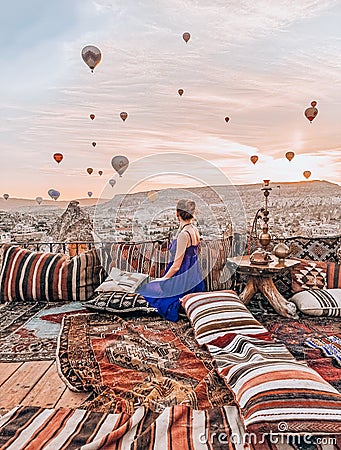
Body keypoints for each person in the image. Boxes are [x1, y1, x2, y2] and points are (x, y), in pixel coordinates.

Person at [137, 199, 205, 321]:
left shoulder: (184, 235)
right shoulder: (194, 230)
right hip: (194, 274)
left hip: (181, 276)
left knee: (147, 290)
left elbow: (177, 266)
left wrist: (163, 279)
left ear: (177, 213)